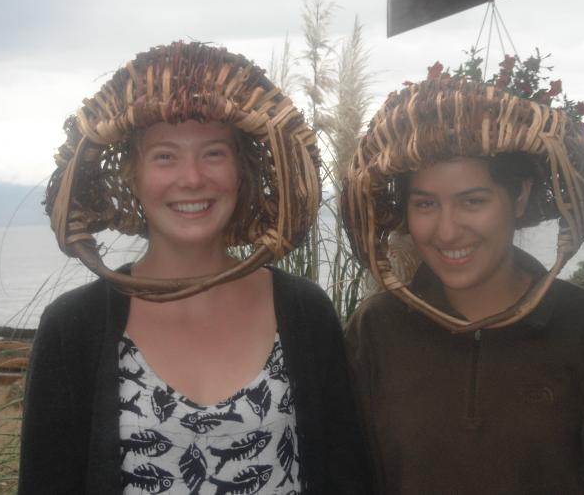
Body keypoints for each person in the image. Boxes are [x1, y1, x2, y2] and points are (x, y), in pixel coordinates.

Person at [19, 42, 369, 494]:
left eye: (214, 154)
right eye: (165, 156)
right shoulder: (73, 328)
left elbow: (347, 477)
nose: (192, 178)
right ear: (133, 175)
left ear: (241, 172)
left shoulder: (305, 312)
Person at [341, 71, 584, 494]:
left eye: (472, 201)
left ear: (520, 196)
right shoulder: (376, 330)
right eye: (425, 204)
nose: (447, 231)